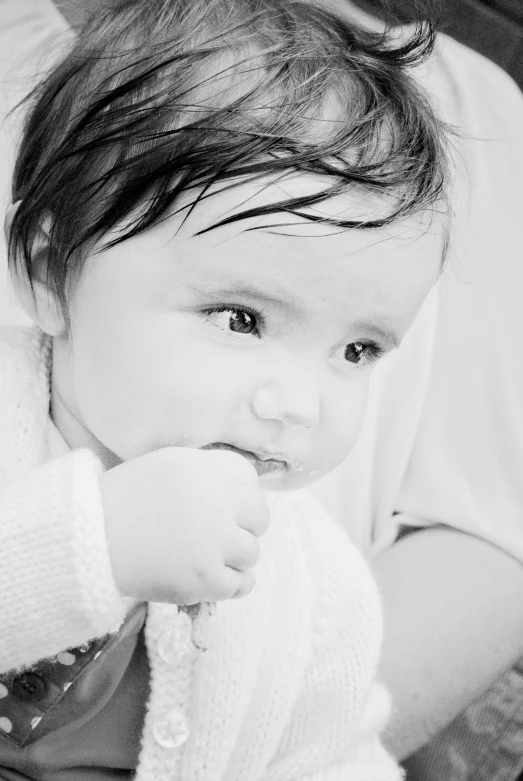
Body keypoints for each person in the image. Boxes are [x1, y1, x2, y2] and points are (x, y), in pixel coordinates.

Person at [0, 0, 450, 778]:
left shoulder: (316, 587)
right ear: (51, 272)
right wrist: (92, 543)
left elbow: (331, 755)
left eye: (355, 348)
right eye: (240, 317)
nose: (300, 403)